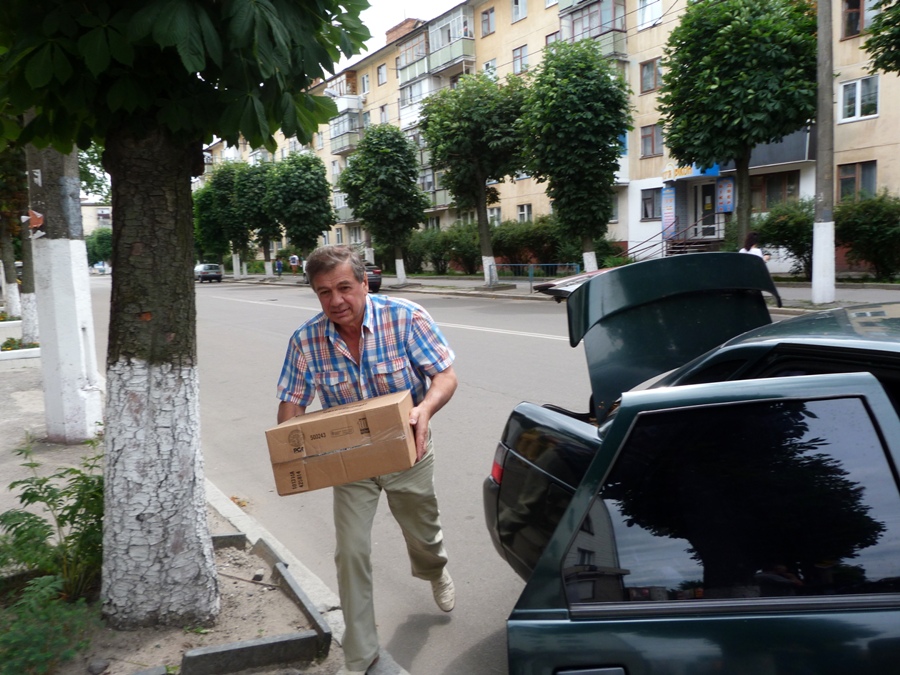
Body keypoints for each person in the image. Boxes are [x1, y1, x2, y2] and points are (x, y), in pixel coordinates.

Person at [276, 245, 458, 675]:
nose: (336, 300)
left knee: (423, 534)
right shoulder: (305, 340)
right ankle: (360, 655)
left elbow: (445, 375)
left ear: (364, 283)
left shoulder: (405, 318)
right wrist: (291, 444)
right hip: (351, 464)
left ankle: (434, 570)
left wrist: (425, 410)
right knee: (351, 551)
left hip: (409, 452)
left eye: (344, 287)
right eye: (324, 292)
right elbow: (292, 403)